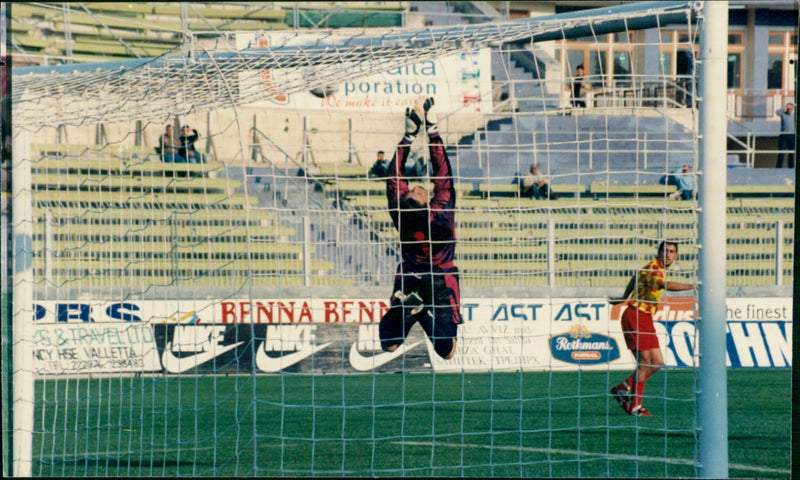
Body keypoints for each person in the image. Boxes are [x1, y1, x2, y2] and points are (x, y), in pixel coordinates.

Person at [379, 97, 462, 360]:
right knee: (448, 352)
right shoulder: (440, 214)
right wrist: (433, 131)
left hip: (410, 275)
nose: (417, 186)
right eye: (417, 189)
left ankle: (411, 309)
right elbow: (443, 174)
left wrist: (408, 137)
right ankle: (422, 312)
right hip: (441, 277)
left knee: (389, 345)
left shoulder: (400, 214)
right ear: (426, 201)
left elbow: (395, 177)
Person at [610, 241, 695, 417]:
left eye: (672, 252)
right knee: (645, 363)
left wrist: (624, 296)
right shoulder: (655, 269)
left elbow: (635, 277)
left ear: (676, 256)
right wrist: (693, 286)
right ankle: (635, 407)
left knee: (656, 362)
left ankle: (622, 388)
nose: (668, 254)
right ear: (659, 252)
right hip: (636, 315)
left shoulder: (654, 268)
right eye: (665, 251)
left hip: (644, 317)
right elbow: (665, 285)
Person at [776, 102, 795, 168]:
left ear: (793, 109)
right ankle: (779, 167)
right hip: (784, 135)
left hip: (792, 136)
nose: (789, 110)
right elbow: (777, 112)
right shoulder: (783, 114)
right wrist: (785, 106)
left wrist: (794, 105)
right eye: (788, 108)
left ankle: (791, 167)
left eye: (791, 108)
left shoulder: (794, 115)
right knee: (781, 152)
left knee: (791, 153)